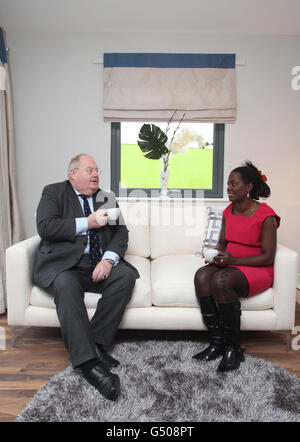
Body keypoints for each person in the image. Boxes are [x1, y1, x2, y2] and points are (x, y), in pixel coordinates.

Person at [33, 154, 139, 400]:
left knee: (124, 277)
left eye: (97, 170)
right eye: (90, 170)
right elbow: (46, 227)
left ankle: (96, 343)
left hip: (96, 264)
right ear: (73, 174)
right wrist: (87, 223)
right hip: (65, 265)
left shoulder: (107, 198)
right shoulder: (53, 192)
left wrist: (108, 259)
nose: (96, 175)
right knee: (66, 285)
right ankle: (89, 364)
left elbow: (121, 233)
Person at [193, 161, 280, 372]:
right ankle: (217, 342)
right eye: (228, 184)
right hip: (232, 264)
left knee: (221, 281)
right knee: (202, 276)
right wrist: (216, 256)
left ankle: (233, 348)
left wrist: (233, 261)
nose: (229, 188)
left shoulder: (266, 215)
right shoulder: (228, 211)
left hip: (256, 269)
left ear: (248, 187)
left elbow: (268, 257)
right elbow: (223, 242)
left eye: (234, 184)